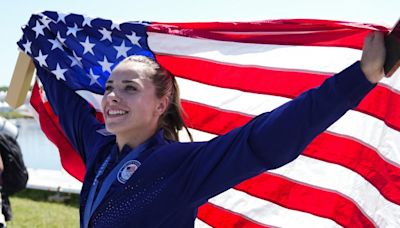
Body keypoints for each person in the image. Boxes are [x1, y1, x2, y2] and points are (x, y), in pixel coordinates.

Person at [37, 31, 386, 227]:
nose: (112, 96)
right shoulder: (99, 150)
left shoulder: (178, 164)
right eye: (110, 87)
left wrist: (358, 79)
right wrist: (40, 45)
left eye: (130, 88)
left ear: (161, 104)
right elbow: (64, 99)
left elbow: (262, 140)